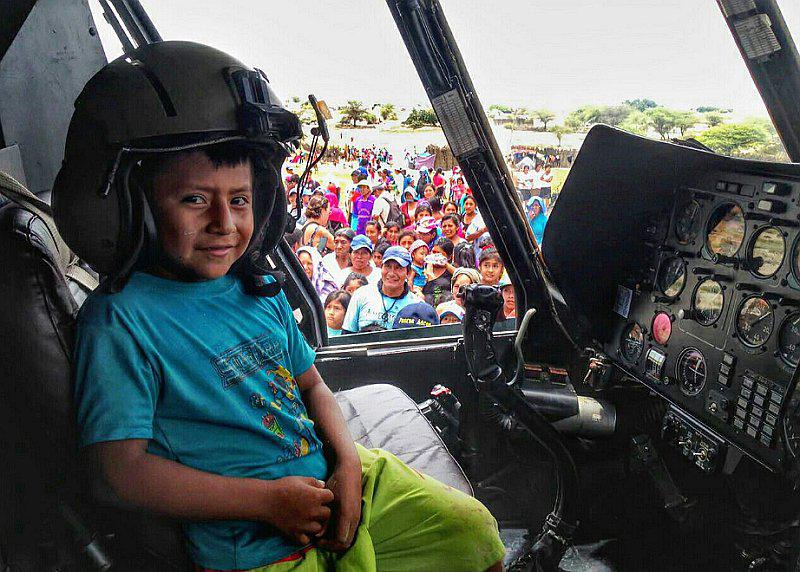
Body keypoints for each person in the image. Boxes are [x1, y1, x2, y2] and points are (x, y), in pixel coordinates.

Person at [58, 42, 505, 572]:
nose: (225, 222)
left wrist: (348, 468)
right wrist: (268, 502)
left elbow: (312, 384)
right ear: (135, 209)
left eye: (240, 199)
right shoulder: (120, 321)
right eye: (195, 199)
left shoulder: (254, 288)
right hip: (252, 537)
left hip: (333, 477)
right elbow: (118, 473)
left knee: (472, 533)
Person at [341, 246, 419, 333]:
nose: (391, 273)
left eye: (398, 268)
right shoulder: (361, 294)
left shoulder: (416, 305)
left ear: (408, 273)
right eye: (388, 266)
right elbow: (347, 334)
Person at [422, 237, 455, 307]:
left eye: (439, 254)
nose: (435, 256)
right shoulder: (423, 267)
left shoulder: (452, 273)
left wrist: (445, 263)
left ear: (449, 257)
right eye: (434, 252)